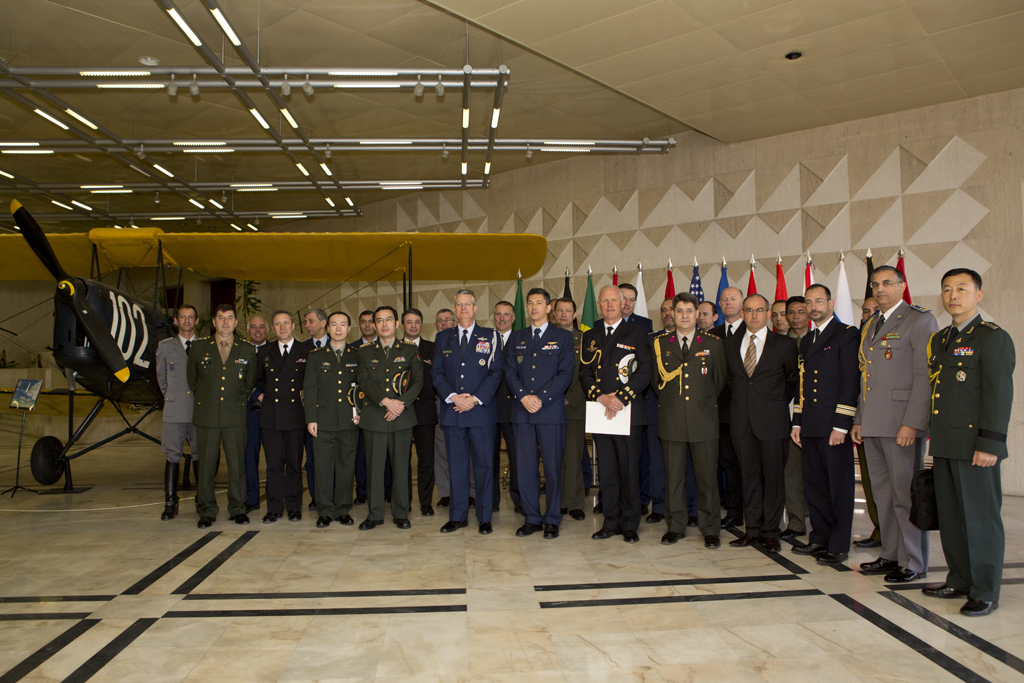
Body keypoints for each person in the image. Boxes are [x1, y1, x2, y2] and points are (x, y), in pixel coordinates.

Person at [922, 268, 1014, 617]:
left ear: (979, 294)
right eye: (947, 290)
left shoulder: (992, 337)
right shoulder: (942, 338)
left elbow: (998, 395)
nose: (953, 296)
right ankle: (959, 578)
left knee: (980, 518)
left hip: (976, 444)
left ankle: (986, 589)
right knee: (952, 516)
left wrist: (990, 444)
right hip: (945, 441)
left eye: (962, 288)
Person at [852, 265, 938, 583]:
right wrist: (860, 419)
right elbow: (867, 378)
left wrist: (913, 423)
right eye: (875, 284)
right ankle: (889, 553)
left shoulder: (919, 320)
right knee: (882, 496)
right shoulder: (872, 323)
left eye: (887, 282)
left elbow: (923, 377)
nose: (880, 288)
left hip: (901, 424)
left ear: (902, 286)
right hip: (874, 423)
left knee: (905, 496)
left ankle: (912, 560)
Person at [790, 285, 860, 565]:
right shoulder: (807, 340)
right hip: (810, 425)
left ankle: (839, 544)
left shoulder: (846, 334)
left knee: (839, 487)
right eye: (809, 302)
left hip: (833, 425)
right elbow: (801, 385)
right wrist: (797, 422)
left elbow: (850, 382)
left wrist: (841, 425)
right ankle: (819, 537)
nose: (813, 306)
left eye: (819, 301)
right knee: (815, 485)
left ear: (831, 303)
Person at [651, 293, 726, 548]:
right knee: (673, 478)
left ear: (697, 314)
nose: (684, 315)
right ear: (672, 313)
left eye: (689, 311)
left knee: (707, 479)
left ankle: (710, 528)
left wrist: (699, 405)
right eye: (679, 310)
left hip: (703, 420)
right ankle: (675, 526)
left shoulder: (713, 344)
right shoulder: (661, 344)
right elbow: (656, 382)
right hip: (671, 419)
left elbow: (719, 381)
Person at [724, 294, 798, 553]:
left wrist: (770, 405)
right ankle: (752, 530)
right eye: (749, 310)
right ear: (742, 314)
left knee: (773, 479)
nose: (754, 315)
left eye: (759, 310)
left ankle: (771, 531)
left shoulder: (785, 345)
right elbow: (733, 382)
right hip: (742, 423)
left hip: (773, 423)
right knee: (749, 479)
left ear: (768, 314)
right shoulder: (730, 344)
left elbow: (791, 383)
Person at [580, 286, 652, 543]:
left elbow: (645, 371)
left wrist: (620, 398)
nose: (609, 305)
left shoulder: (638, 332)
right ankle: (610, 521)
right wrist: (601, 397)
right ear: (599, 306)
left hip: (628, 411)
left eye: (614, 300)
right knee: (607, 470)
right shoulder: (591, 335)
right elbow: (584, 372)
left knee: (629, 469)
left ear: (623, 303)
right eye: (605, 301)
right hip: (601, 410)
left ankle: (630, 523)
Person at [504, 288, 574, 539]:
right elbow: (510, 371)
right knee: (525, 468)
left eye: (539, 303)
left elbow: (565, 374)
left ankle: (552, 518)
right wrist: (524, 396)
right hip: (522, 412)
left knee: (553, 468)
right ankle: (532, 517)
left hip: (550, 412)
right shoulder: (517, 337)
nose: (534, 307)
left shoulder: (563, 338)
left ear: (548, 309)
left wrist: (540, 399)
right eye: (530, 303)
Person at [433, 291, 504, 534]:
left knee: (484, 466)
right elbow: (437, 374)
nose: (463, 308)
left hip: (481, 412)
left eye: (468, 304)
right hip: (453, 412)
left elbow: (496, 372)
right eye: (459, 304)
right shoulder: (443, 338)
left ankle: (485, 517)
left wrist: (474, 399)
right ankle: (458, 516)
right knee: (457, 466)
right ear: (455, 308)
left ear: (475, 308)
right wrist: (453, 397)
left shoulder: (491, 336)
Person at [188, 304, 257, 528]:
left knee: (237, 466)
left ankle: (237, 508)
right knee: (207, 465)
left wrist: (234, 402)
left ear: (236, 323)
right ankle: (206, 510)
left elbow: (249, 383)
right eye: (221, 318)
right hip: (207, 416)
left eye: (230, 318)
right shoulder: (198, 348)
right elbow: (193, 381)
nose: (225, 322)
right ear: (214, 323)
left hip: (235, 416)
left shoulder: (247, 350)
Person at [355, 306, 423, 530]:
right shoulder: (364, 351)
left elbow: (418, 381)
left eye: (388, 320)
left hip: (402, 418)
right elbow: (364, 381)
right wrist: (386, 401)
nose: (384, 324)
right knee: (374, 468)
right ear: (374, 325)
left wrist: (399, 405)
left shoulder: (410, 349)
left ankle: (401, 513)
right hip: (374, 417)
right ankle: (374, 514)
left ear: (396, 324)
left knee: (401, 468)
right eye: (379, 320)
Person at [304, 311, 360, 527]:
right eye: (334, 325)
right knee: (323, 467)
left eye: (343, 325)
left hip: (349, 420)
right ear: (327, 328)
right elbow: (309, 389)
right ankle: (325, 510)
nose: (338, 329)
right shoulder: (316, 356)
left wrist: (359, 412)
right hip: (323, 421)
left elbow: (362, 388)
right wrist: (311, 418)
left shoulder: (356, 355)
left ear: (348, 329)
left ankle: (343, 509)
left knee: (347, 466)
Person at [256, 310, 310, 523]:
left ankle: (294, 507)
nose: (282, 327)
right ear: (272, 328)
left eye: (285, 323)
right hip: (272, 417)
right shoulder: (264, 352)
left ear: (293, 325)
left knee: (295, 464)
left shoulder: (306, 350)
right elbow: (258, 379)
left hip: (297, 416)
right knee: (273, 465)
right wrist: (264, 397)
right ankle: (274, 508)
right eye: (277, 324)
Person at [156, 304, 199, 520]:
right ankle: (170, 502)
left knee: (200, 454)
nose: (187, 321)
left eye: (191, 317)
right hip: (174, 410)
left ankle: (203, 500)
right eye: (183, 317)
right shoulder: (165, 347)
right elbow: (161, 380)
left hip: (200, 411)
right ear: (176, 321)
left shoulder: (204, 346)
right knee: (172, 455)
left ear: (197, 321)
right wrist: (172, 396)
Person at [711, 286, 745, 529]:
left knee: (751, 466)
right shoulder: (712, 336)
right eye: (724, 300)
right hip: (721, 412)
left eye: (733, 299)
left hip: (750, 412)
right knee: (729, 465)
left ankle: (756, 512)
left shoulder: (754, 331)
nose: (728, 303)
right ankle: (734, 511)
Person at [554, 298, 587, 520]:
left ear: (575, 314)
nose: (564, 314)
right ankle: (559, 501)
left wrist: (569, 397)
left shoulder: (584, 340)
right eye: (560, 311)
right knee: (554, 457)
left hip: (574, 406)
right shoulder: (547, 338)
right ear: (553, 314)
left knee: (573, 457)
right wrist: (554, 397)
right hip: (550, 407)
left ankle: (574, 502)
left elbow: (588, 373)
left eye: (568, 311)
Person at [402, 308, 438, 516]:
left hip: (425, 410)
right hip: (402, 412)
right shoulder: (395, 348)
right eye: (409, 322)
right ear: (402, 325)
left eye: (417, 322)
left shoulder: (432, 348)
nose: (413, 325)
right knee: (402, 460)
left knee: (426, 460)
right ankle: (404, 501)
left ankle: (426, 502)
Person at [853, 296, 883, 548]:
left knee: (893, 487)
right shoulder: (859, 341)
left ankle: (891, 537)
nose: (871, 315)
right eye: (866, 311)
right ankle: (879, 530)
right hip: (863, 422)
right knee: (871, 482)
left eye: (876, 310)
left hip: (889, 424)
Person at [781, 295, 811, 540]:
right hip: (789, 415)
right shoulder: (779, 343)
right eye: (792, 312)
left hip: (819, 417)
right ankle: (797, 523)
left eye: (802, 311)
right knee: (791, 473)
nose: (796, 316)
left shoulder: (819, 340)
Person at [351, 310, 382, 505]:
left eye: (372, 321)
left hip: (381, 407)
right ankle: (362, 490)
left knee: (383, 455)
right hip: (358, 409)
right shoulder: (353, 349)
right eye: (364, 322)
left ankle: (386, 490)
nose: (368, 325)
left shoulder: (385, 347)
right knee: (361, 453)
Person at [301, 309, 329, 509]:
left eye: (310, 321)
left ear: (323, 322)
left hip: (335, 412)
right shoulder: (302, 349)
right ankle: (315, 495)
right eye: (305, 322)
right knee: (312, 458)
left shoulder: (341, 345)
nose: (307, 325)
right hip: (311, 413)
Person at [493, 300, 517, 513]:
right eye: (498, 314)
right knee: (488, 458)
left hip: (514, 409)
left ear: (513, 318)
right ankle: (491, 501)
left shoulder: (521, 339)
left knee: (518, 457)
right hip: (489, 409)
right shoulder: (485, 339)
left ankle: (519, 501)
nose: (502, 318)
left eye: (506, 314)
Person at [243, 316, 267, 513]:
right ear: (247, 330)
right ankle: (251, 498)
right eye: (253, 327)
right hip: (249, 413)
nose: (257, 330)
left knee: (276, 459)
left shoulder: (275, 350)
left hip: (273, 413)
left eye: (261, 327)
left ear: (267, 329)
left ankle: (276, 499)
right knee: (249, 457)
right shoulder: (241, 350)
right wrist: (256, 394)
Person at [433, 308, 456, 507]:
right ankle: (446, 493)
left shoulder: (462, 343)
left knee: (467, 451)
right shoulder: (434, 346)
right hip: (441, 404)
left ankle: (471, 492)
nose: (444, 324)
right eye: (440, 321)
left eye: (448, 320)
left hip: (465, 403)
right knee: (441, 451)